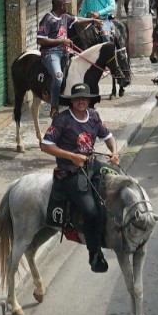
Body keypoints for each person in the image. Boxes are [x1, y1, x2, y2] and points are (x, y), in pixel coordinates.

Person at [41, 82, 120, 273]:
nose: (81, 101)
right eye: (77, 98)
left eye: (84, 98)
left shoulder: (94, 116)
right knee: (91, 212)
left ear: (89, 100)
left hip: (92, 165)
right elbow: (45, 145)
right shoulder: (62, 120)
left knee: (119, 179)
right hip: (70, 172)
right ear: (72, 101)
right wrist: (71, 156)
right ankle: (95, 254)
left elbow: (108, 136)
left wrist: (114, 152)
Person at [38, 0, 96, 113]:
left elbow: (77, 19)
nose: (67, 7)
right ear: (61, 6)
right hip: (50, 53)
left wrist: (93, 20)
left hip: (64, 52)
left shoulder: (64, 16)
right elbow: (40, 40)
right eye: (66, 4)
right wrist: (62, 41)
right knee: (58, 78)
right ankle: (54, 107)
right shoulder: (48, 19)